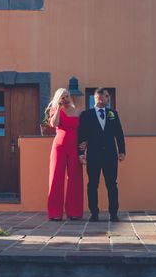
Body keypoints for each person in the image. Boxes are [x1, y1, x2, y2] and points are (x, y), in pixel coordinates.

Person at [78, 88, 126, 222]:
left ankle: (113, 213)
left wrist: (122, 151)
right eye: (106, 96)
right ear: (98, 98)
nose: (108, 98)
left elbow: (119, 134)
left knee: (112, 184)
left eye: (108, 96)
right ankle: (94, 213)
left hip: (110, 155)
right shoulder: (86, 115)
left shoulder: (113, 114)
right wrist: (81, 154)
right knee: (93, 184)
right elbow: (82, 135)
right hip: (93, 155)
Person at [46, 88, 83, 221]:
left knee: (75, 178)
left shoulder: (78, 112)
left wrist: (84, 146)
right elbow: (53, 124)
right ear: (58, 99)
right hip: (59, 147)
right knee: (56, 177)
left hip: (75, 147)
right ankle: (55, 213)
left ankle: (74, 212)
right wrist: (58, 109)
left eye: (67, 96)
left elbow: (84, 131)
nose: (65, 99)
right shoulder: (55, 111)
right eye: (62, 97)